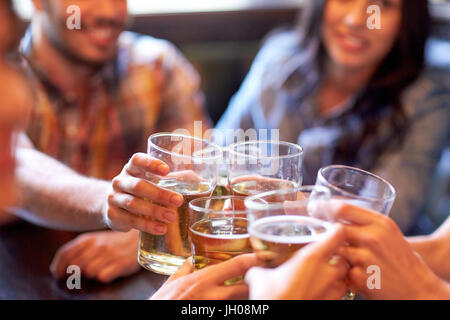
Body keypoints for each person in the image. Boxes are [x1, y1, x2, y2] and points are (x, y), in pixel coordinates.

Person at [5, 0, 211, 283]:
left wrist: (141, 234)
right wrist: (115, 204)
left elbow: (199, 182)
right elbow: (17, 168)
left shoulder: (158, 68)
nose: (109, 12)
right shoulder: (9, 76)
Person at [216, 0, 450, 233]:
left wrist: (288, 203)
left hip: (367, 264)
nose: (356, 20)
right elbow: (221, 156)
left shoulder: (428, 96)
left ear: (408, 22)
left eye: (383, 5)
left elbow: (384, 219)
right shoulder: (279, 58)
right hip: (264, 246)